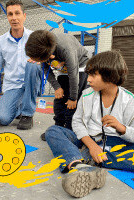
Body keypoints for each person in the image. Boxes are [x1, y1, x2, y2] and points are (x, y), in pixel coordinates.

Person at [45, 50, 134, 198]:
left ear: (109, 76)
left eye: (93, 75)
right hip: (88, 140)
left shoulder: (130, 100)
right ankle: (80, 165)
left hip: (118, 144)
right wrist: (92, 146)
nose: (88, 80)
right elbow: (77, 122)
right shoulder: (86, 94)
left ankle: (84, 159)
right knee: (53, 131)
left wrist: (121, 128)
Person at [0, 0, 42, 130]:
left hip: (32, 83)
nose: (14, 18)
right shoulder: (0, 41)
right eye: (10, 14)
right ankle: (20, 108)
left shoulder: (34, 37)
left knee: (33, 65)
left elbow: (46, 61)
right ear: (7, 17)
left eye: (17, 13)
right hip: (12, 87)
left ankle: (27, 114)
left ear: (24, 15)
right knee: (3, 119)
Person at [25, 30, 88, 140]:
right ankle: (58, 128)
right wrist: (57, 87)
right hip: (63, 68)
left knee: (72, 104)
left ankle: (69, 132)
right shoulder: (42, 46)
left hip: (80, 68)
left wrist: (73, 97)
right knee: (59, 101)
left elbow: (74, 75)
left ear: (50, 55)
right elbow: (45, 69)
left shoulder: (66, 49)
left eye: (39, 60)